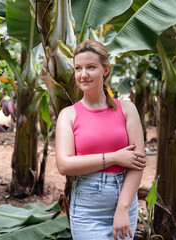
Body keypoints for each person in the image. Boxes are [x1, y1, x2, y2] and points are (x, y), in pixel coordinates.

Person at [55, 40, 146, 240]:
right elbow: (64, 164)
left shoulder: (127, 109)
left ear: (105, 70)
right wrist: (114, 158)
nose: (83, 74)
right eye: (78, 68)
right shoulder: (68, 115)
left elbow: (138, 163)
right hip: (88, 207)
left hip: (126, 201)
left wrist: (123, 209)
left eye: (91, 67)